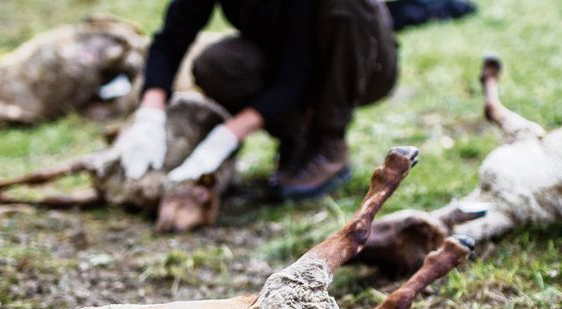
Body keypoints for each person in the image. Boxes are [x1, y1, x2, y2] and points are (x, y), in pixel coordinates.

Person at [113, 0, 399, 200]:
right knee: (217, 65)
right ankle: (295, 136)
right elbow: (171, 39)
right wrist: (150, 113)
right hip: (284, 57)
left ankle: (329, 141)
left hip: (360, 60)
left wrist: (225, 137)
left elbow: (296, 73)